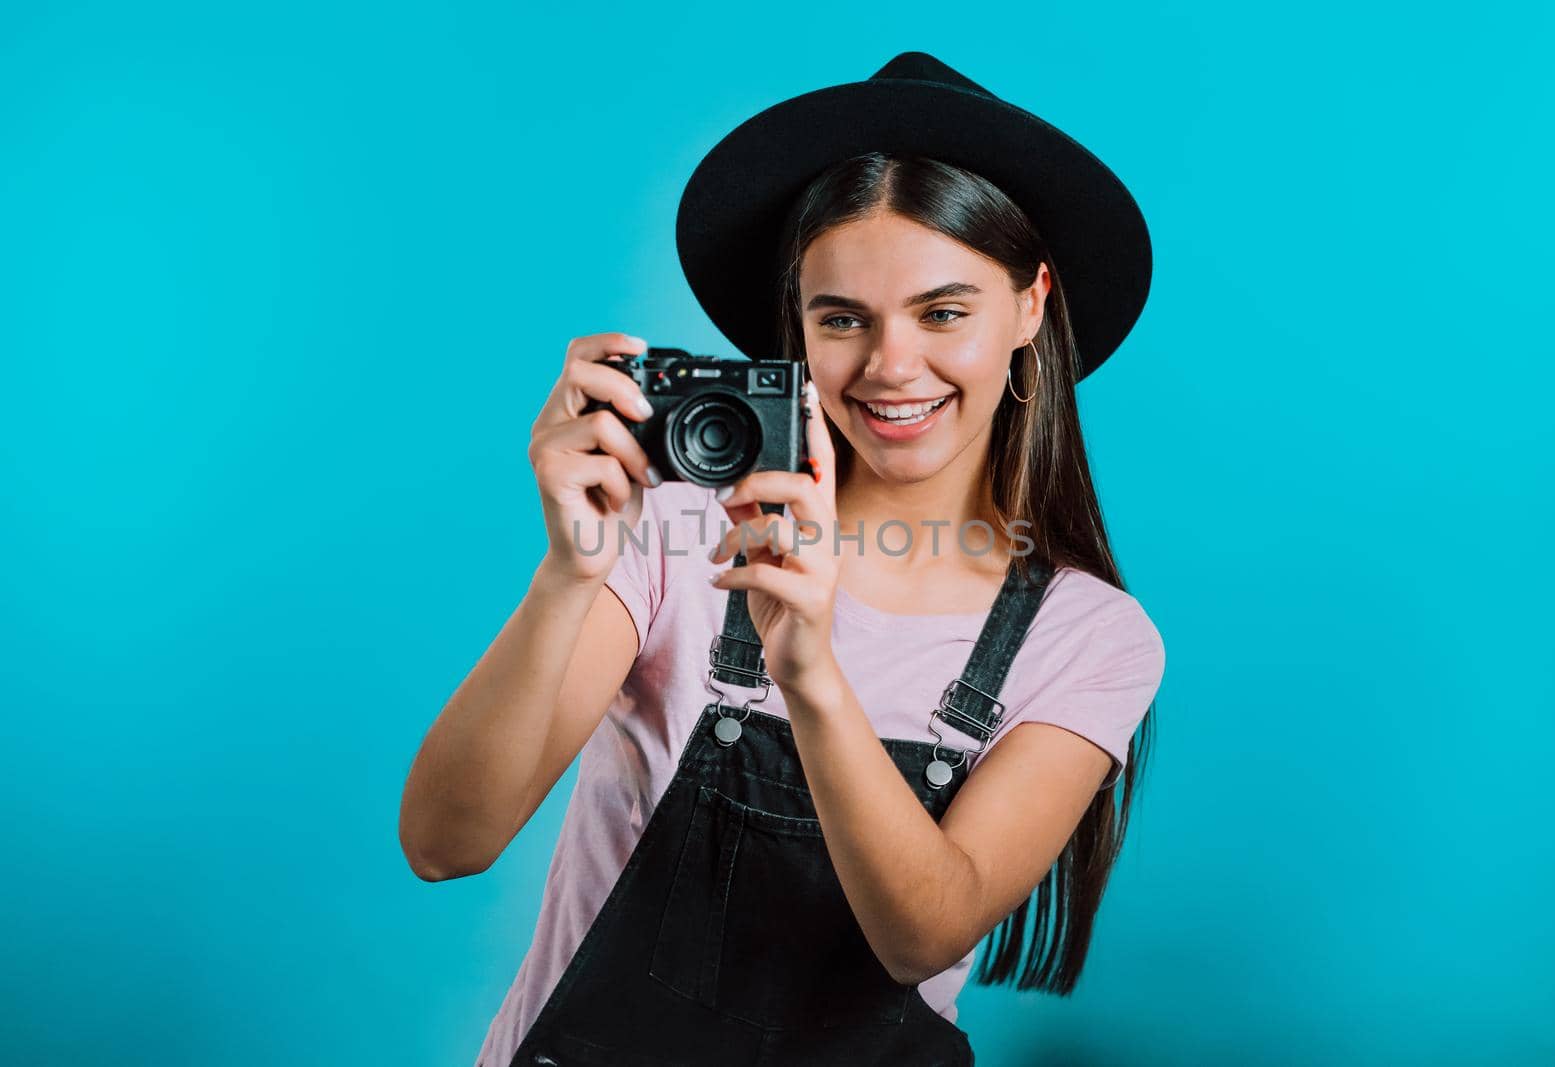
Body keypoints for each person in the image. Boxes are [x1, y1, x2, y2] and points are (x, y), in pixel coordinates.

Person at [400, 51, 1166, 1067]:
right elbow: (444, 843)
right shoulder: (677, 528)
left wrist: (806, 668)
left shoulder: (1090, 638)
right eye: (841, 317)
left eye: (943, 312)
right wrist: (567, 574)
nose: (892, 366)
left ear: (1029, 306)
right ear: (796, 327)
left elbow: (922, 930)